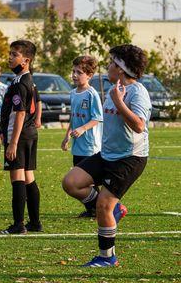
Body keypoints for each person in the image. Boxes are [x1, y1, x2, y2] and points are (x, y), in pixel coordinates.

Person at [62, 44, 151, 267]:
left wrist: (119, 101)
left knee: (103, 205)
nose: (108, 66)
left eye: (112, 62)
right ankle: (116, 209)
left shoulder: (137, 92)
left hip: (129, 158)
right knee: (71, 183)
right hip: (107, 155)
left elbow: (139, 126)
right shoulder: (115, 89)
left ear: (121, 69)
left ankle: (107, 257)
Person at [0, 40, 41, 234]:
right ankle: (35, 222)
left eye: (14, 55)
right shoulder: (29, 81)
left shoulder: (20, 83)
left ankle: (18, 225)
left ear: (26, 60)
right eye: (10, 53)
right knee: (29, 177)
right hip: (30, 134)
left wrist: (13, 143)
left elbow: (21, 113)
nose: (10, 58)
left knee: (17, 178)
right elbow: (37, 103)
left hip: (20, 136)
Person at [61, 55, 103, 217]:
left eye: (79, 72)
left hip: (90, 145)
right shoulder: (73, 93)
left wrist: (83, 128)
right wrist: (67, 137)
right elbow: (73, 117)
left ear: (89, 75)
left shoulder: (92, 94)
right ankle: (93, 209)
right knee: (81, 179)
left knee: (89, 180)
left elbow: (97, 118)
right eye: (73, 71)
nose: (74, 75)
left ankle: (99, 209)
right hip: (77, 145)